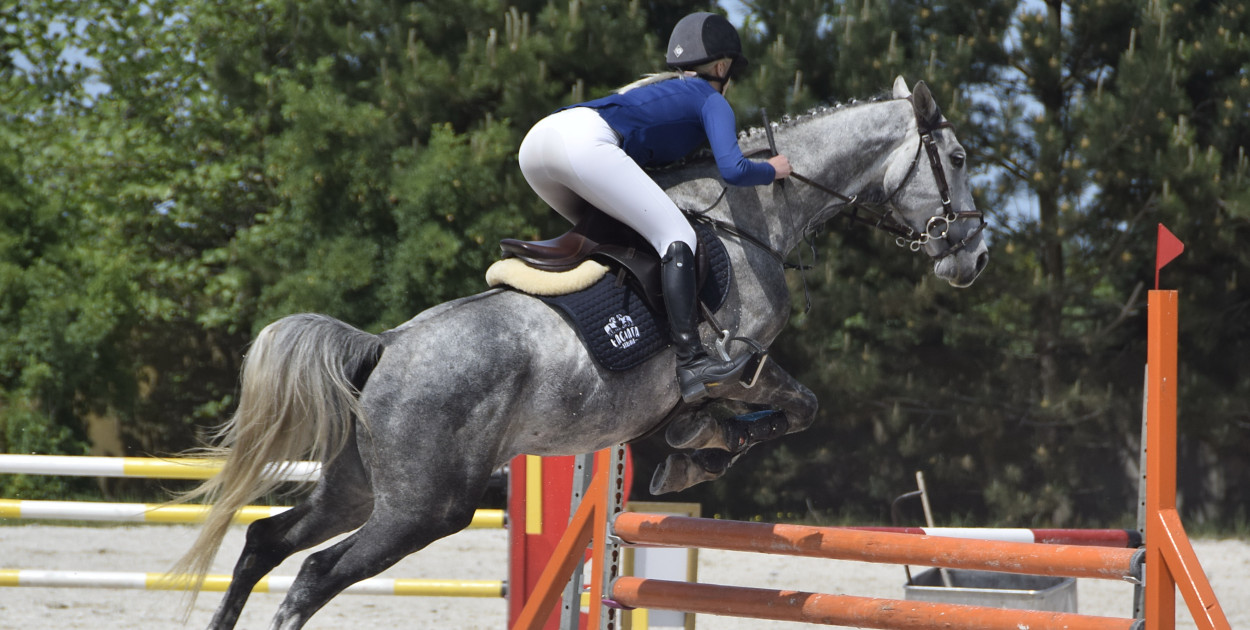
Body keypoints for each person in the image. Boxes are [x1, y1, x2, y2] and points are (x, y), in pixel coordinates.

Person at [518, 12, 791, 403]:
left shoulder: (661, 91)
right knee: (677, 235)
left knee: (618, 239)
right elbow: (733, 168)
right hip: (582, 143)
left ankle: (611, 333)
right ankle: (691, 360)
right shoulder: (711, 99)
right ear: (721, 67)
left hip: (537, 145)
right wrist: (772, 168)